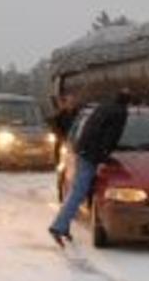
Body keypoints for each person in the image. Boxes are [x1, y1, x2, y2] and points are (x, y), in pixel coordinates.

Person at [48, 90, 131, 247]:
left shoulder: (104, 106)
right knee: (79, 191)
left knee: (78, 191)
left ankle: (63, 226)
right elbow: (111, 136)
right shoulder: (120, 112)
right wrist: (103, 157)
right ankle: (58, 227)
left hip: (83, 150)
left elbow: (93, 129)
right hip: (91, 155)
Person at [49, 93, 79, 159]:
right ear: (66, 104)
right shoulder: (60, 116)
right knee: (58, 146)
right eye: (70, 103)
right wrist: (60, 136)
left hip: (75, 139)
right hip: (64, 138)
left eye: (73, 102)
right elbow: (56, 127)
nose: (71, 105)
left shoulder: (78, 115)